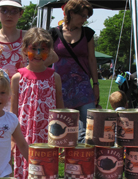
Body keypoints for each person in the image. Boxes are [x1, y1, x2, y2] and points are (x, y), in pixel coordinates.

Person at [11, 27, 64, 179]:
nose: (38, 54)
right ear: (24, 50)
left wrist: (61, 137)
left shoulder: (54, 77)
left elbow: (60, 107)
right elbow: (13, 109)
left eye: (43, 50)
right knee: (25, 173)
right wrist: (13, 139)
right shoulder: (17, 77)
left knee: (46, 171)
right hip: (24, 134)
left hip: (48, 134)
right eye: (33, 49)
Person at [49, 0, 99, 138]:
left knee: (90, 128)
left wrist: (96, 84)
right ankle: (66, 156)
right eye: (82, 16)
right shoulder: (53, 33)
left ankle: (86, 157)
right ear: (71, 13)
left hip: (83, 87)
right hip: (60, 88)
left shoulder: (87, 33)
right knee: (62, 128)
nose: (85, 19)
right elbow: (46, 59)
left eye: (86, 16)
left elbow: (91, 60)